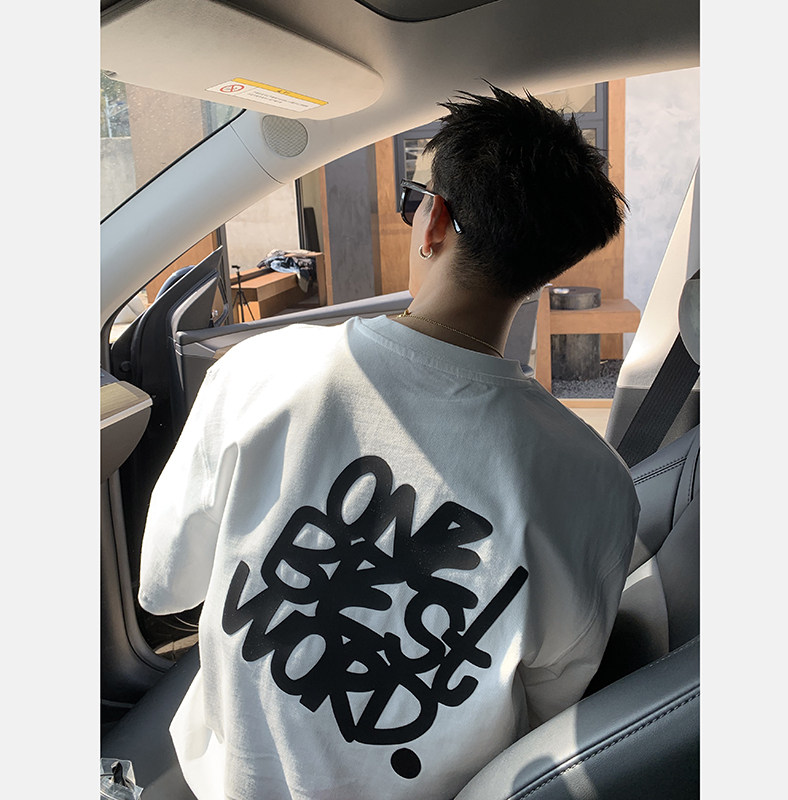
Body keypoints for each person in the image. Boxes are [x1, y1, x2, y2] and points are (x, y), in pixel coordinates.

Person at [138, 85, 640, 800]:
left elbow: (168, 587)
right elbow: (552, 699)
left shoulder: (255, 373)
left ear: (433, 222)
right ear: (545, 266)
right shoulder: (595, 482)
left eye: (413, 200)